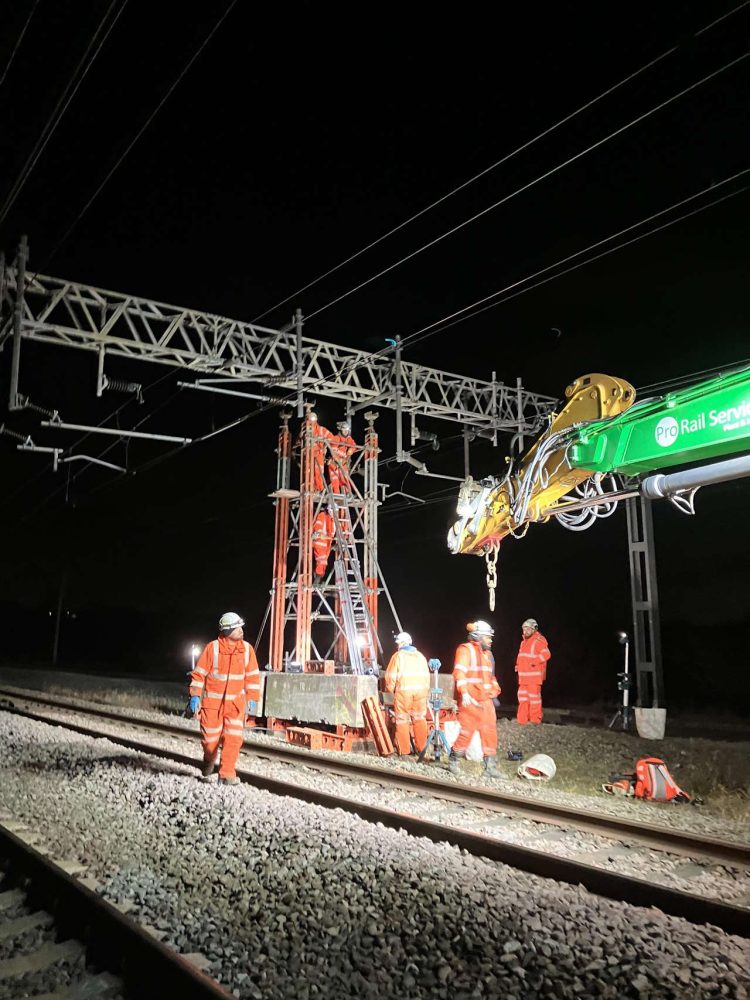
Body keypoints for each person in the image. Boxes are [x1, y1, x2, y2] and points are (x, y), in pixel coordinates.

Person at [188, 612, 260, 785]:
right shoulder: (212, 649)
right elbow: (198, 675)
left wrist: (253, 697)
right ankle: (209, 759)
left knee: (233, 739)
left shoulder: (247, 651)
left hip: (235, 706)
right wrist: (195, 696)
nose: (241, 630)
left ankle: (227, 774)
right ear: (227, 631)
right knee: (210, 741)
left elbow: (252, 677)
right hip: (212, 706)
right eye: (237, 628)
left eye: (241, 627)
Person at [449, 620, 501, 776]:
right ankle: (454, 760)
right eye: (488, 637)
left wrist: (495, 690)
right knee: (467, 732)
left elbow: (491, 677)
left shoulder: (487, 655)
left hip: (485, 701)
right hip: (470, 700)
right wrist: (464, 692)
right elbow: (459, 673)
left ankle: (490, 768)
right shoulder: (466, 650)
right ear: (478, 636)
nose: (490, 641)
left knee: (490, 732)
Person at [384, 632, 430, 756]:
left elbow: (390, 676)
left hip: (404, 693)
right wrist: (425, 691)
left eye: (398, 643)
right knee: (420, 719)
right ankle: (422, 750)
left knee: (402, 720)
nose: (397, 646)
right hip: (421, 693)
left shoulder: (398, 656)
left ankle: (404, 751)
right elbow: (427, 676)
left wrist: (390, 689)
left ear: (403, 643)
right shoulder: (421, 656)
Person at [515, 617, 551, 724]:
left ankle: (535, 721)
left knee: (534, 700)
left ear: (534, 629)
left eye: (527, 629)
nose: (525, 631)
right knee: (522, 699)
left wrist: (533, 662)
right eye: (524, 629)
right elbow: (521, 657)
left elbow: (546, 654)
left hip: (533, 678)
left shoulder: (538, 640)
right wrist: (518, 666)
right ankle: (522, 721)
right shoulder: (523, 642)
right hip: (523, 678)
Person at [327, 419, 358, 493]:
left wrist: (351, 450)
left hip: (343, 462)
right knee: (335, 480)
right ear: (341, 430)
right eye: (344, 430)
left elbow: (354, 445)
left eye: (347, 430)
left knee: (345, 478)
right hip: (334, 463)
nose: (346, 432)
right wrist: (338, 459)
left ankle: (347, 493)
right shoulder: (336, 438)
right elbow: (333, 450)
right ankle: (336, 494)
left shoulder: (348, 438)